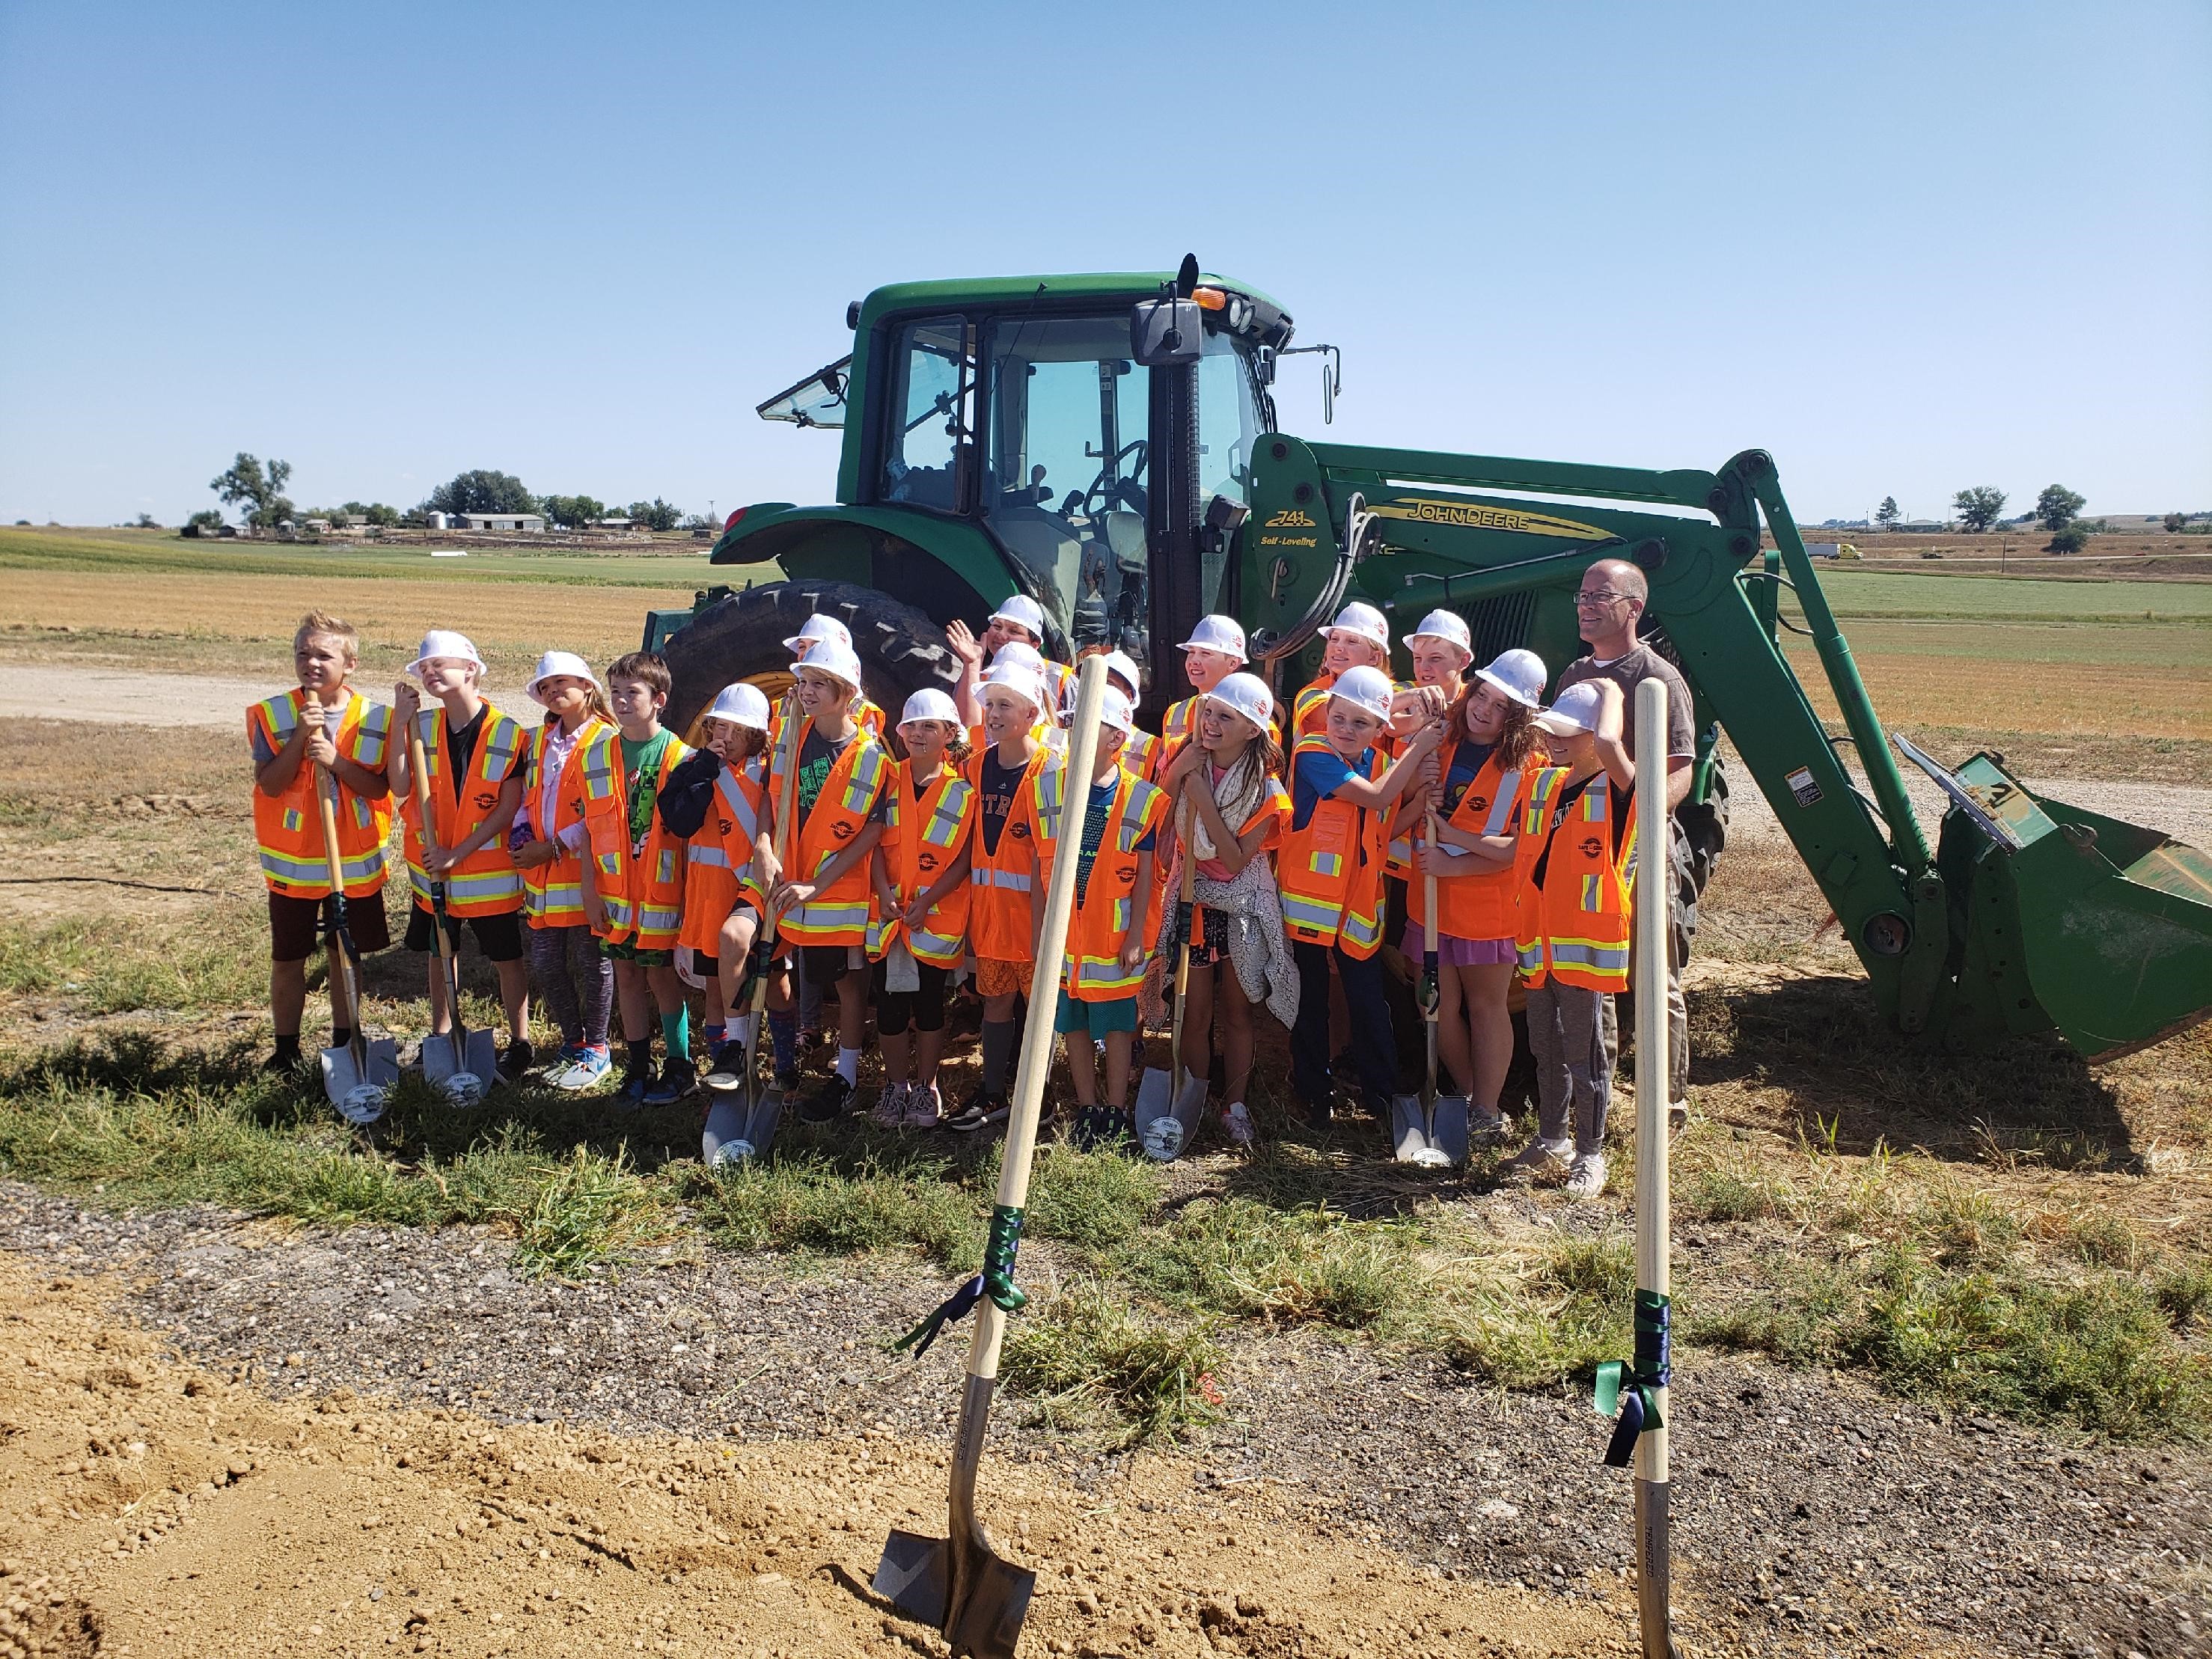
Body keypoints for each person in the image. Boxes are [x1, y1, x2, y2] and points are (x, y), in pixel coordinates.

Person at [1556, 557, 1697, 1125]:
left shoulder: (1657, 678)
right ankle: (1603, 1098)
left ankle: (1666, 1103)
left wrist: (1640, 815)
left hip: (1637, 844)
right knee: (1594, 971)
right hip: (1583, 849)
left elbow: (1681, 769)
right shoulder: (1572, 677)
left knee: (1652, 973)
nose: (1586, 605)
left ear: (1633, 608)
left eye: (1600, 596)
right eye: (1583, 595)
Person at [1393, 648, 1550, 1135]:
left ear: (1518, 716)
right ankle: (1464, 1096)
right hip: (1431, 906)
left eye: (1501, 704)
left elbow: (1513, 851)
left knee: (1486, 1007)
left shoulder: (1531, 765)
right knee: (1434, 1005)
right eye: (1481, 695)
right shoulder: (1440, 744)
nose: (1484, 708)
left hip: (1487, 908)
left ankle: (1485, 1107)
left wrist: (1451, 843)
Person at [1280, 664, 1444, 1128]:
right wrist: (1418, 752)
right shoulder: (1312, 754)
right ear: (1327, 714)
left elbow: (1384, 822)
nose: (1347, 730)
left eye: (1361, 723)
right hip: (1309, 902)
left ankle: (1383, 1095)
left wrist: (1421, 800)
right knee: (1311, 999)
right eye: (1340, 718)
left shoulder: (1378, 762)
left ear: (1379, 729)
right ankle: (1313, 1091)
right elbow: (1373, 798)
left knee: (1369, 1000)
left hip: (1358, 904)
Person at [1152, 670, 1295, 1146]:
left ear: (1252, 729)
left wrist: (1203, 799)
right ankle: (1192, 1094)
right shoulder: (1186, 761)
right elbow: (1155, 816)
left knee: (1236, 1013)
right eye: (1208, 712)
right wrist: (1179, 775)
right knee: (1193, 1011)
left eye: (1225, 717)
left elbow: (1234, 861)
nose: (1210, 722)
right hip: (1191, 902)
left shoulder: (1268, 792)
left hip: (1241, 909)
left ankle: (1235, 1106)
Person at [247, 611, 394, 1073]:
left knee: (344, 956)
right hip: (293, 867)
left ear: (349, 663)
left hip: (354, 864)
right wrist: (300, 738)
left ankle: (345, 1043)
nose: (311, 662)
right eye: (302, 653)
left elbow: (377, 789)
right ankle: (286, 1050)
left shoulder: (376, 718)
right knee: (288, 958)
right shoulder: (272, 714)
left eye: (323, 655)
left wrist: (335, 759)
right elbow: (270, 784)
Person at [1510, 678, 1636, 1198]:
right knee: (1545, 1047)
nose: (1555, 740)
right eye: (1552, 731)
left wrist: (1613, 691)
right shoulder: (1542, 783)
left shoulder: (1620, 789)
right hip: (1540, 947)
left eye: (1568, 732)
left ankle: (1591, 1154)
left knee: (1587, 1057)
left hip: (1586, 953)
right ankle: (1552, 1138)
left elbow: (1610, 745)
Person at [390, 629, 533, 1081]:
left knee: (506, 958)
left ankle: (521, 1041)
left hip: (485, 873)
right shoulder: (421, 727)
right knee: (441, 951)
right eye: (424, 669)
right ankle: (442, 1033)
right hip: (434, 872)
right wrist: (399, 722)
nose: (431, 673)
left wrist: (459, 853)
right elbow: (398, 786)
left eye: (440, 666)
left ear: (471, 669)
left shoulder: (508, 734)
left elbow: (508, 807)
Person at [763, 638, 893, 1122]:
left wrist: (818, 885)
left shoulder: (868, 754)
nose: (806, 691)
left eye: (819, 684)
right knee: (812, 975)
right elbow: (771, 798)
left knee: (850, 984)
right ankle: (811, 1060)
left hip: (839, 895)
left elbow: (871, 833)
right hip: (795, 889)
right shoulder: (792, 738)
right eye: (803, 683)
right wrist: (762, 845)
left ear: (846, 694)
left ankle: (848, 1075)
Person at [1030, 686, 1164, 1149]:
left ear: (1116, 738)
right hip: (1064, 938)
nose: (1076, 735)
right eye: (1073, 725)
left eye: (1092, 727)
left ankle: (1116, 1110)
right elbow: (1037, 866)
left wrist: (1133, 937)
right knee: (1074, 1024)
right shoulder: (1048, 788)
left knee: (1118, 1025)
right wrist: (1037, 930)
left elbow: (1147, 876)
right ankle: (1088, 1109)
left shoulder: (1142, 798)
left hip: (1111, 940)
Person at [573, 650, 694, 1105]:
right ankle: (637, 1067)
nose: (621, 702)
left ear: (659, 699)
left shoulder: (683, 758)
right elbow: (588, 830)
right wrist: (590, 892)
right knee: (625, 977)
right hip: (615, 898)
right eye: (616, 693)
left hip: (665, 901)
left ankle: (680, 1067)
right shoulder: (596, 756)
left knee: (663, 981)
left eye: (633, 693)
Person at [867, 688, 976, 1129]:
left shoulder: (963, 791)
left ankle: (927, 1086)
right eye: (912, 725)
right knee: (890, 1008)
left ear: (950, 733)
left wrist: (927, 902)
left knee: (930, 1006)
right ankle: (896, 1087)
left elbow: (966, 858)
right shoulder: (887, 779)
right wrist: (881, 893)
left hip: (935, 919)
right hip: (890, 918)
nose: (919, 733)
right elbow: (873, 842)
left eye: (930, 725)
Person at [951, 659, 1053, 1131]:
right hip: (989, 919)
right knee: (994, 1003)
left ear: (1032, 714)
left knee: (1038, 1012)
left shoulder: (1051, 772)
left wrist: (1043, 925)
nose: (992, 714)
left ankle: (1040, 1099)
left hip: (1033, 923)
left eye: (1005, 705)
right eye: (989, 704)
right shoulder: (973, 769)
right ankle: (993, 1092)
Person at [657, 683, 773, 1089]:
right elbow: (682, 821)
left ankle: (778, 1058)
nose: (726, 738)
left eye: (737, 731)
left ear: (755, 736)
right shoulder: (692, 767)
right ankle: (723, 1065)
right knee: (714, 984)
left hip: (752, 891)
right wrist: (705, 770)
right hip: (708, 895)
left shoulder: (769, 770)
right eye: (719, 727)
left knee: (774, 976)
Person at [512, 651, 617, 1090]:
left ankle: (596, 1047)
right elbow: (526, 792)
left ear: (588, 687)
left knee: (594, 962)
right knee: (547, 963)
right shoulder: (537, 741)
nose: (554, 693)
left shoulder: (607, 739)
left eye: (562, 684)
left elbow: (604, 809)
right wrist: (520, 832)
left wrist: (554, 846)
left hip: (587, 871)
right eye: (546, 688)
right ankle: (572, 1041)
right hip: (543, 875)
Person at [947, 593, 1074, 724]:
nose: (1001, 635)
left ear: (1035, 644)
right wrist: (972, 664)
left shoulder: (1061, 679)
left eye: (1014, 631)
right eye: (997, 626)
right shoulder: (977, 676)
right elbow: (965, 734)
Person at [770, 614, 887, 742]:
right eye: (802, 647)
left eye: (815, 647)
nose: (806, 655)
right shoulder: (784, 705)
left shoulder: (863, 711)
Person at [1292, 601, 1393, 739]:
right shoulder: (1311, 694)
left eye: (1351, 641)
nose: (1338, 647)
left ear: (1374, 658)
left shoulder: (1394, 691)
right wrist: (1411, 697)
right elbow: (1347, 711)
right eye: (1334, 639)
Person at [1160, 614, 1248, 760]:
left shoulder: (1251, 719)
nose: (1194, 660)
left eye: (1206, 653)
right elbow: (1161, 776)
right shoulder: (1175, 713)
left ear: (1233, 663)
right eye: (1191, 652)